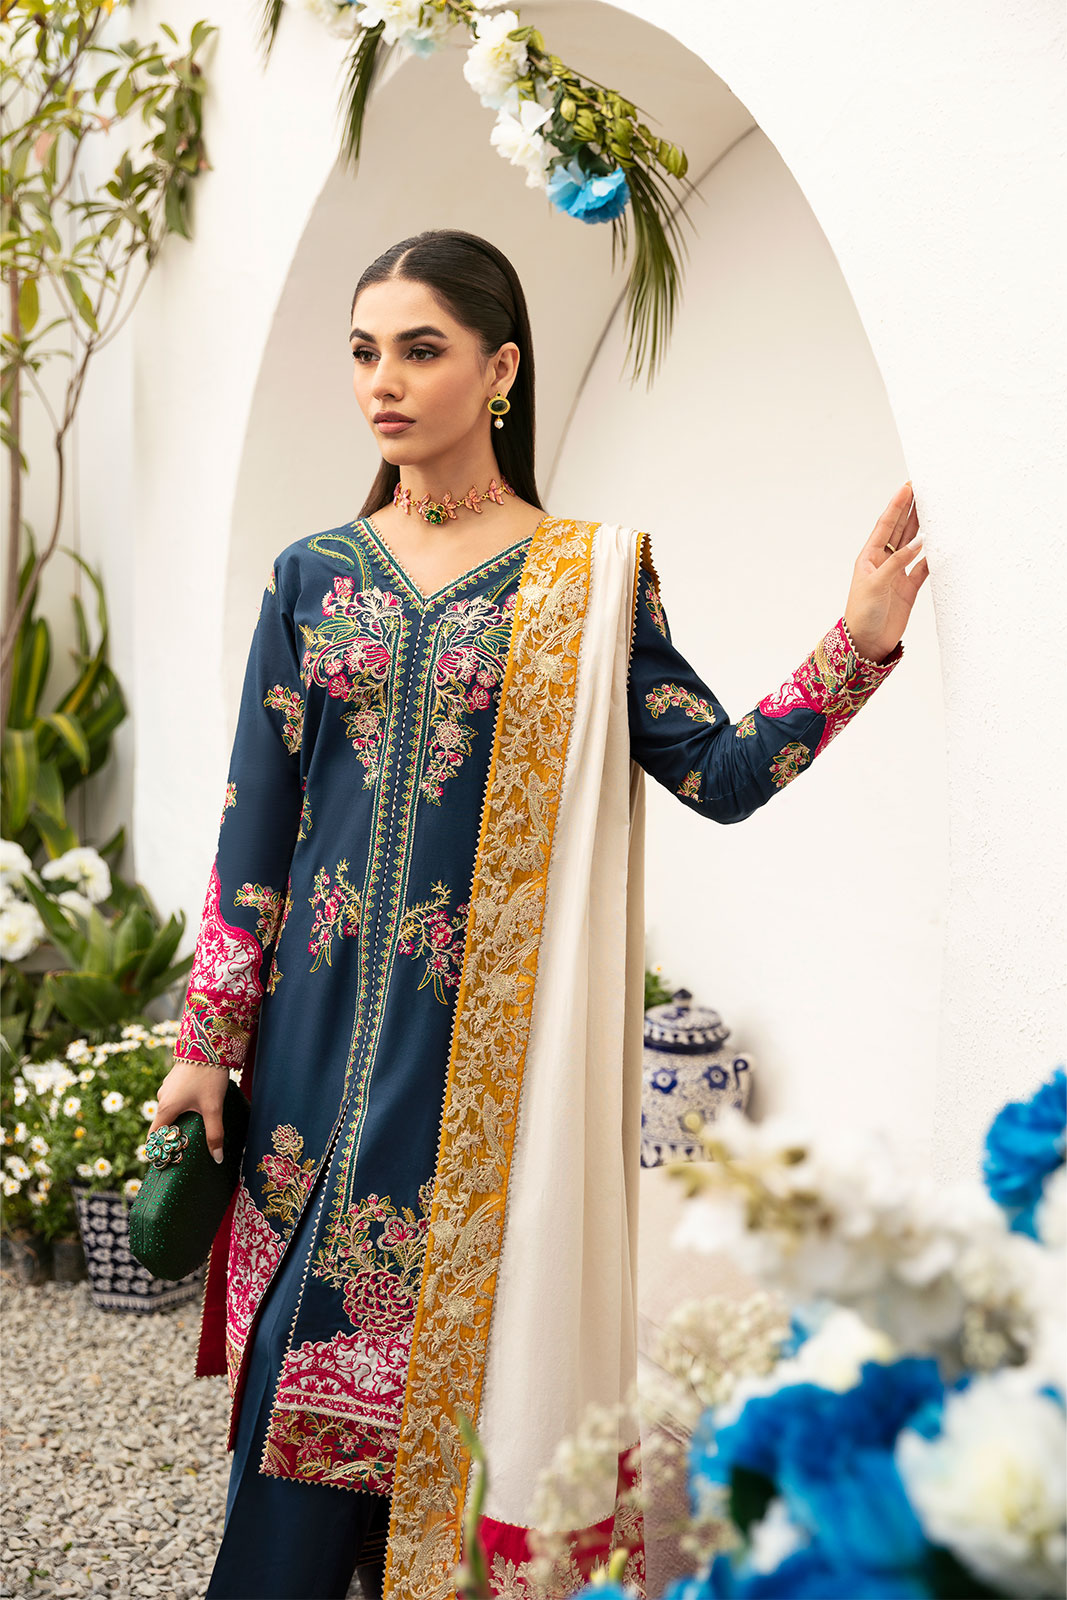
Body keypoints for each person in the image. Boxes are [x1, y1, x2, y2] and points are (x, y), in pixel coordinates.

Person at [147, 229, 926, 1600]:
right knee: (294, 1449)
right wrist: (206, 1045)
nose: (383, 381)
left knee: (459, 1443)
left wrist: (854, 643)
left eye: (421, 349)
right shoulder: (311, 578)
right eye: (364, 352)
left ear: (501, 369)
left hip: (486, 1091)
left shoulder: (585, 583)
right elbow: (252, 832)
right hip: (307, 1083)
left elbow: (720, 774)